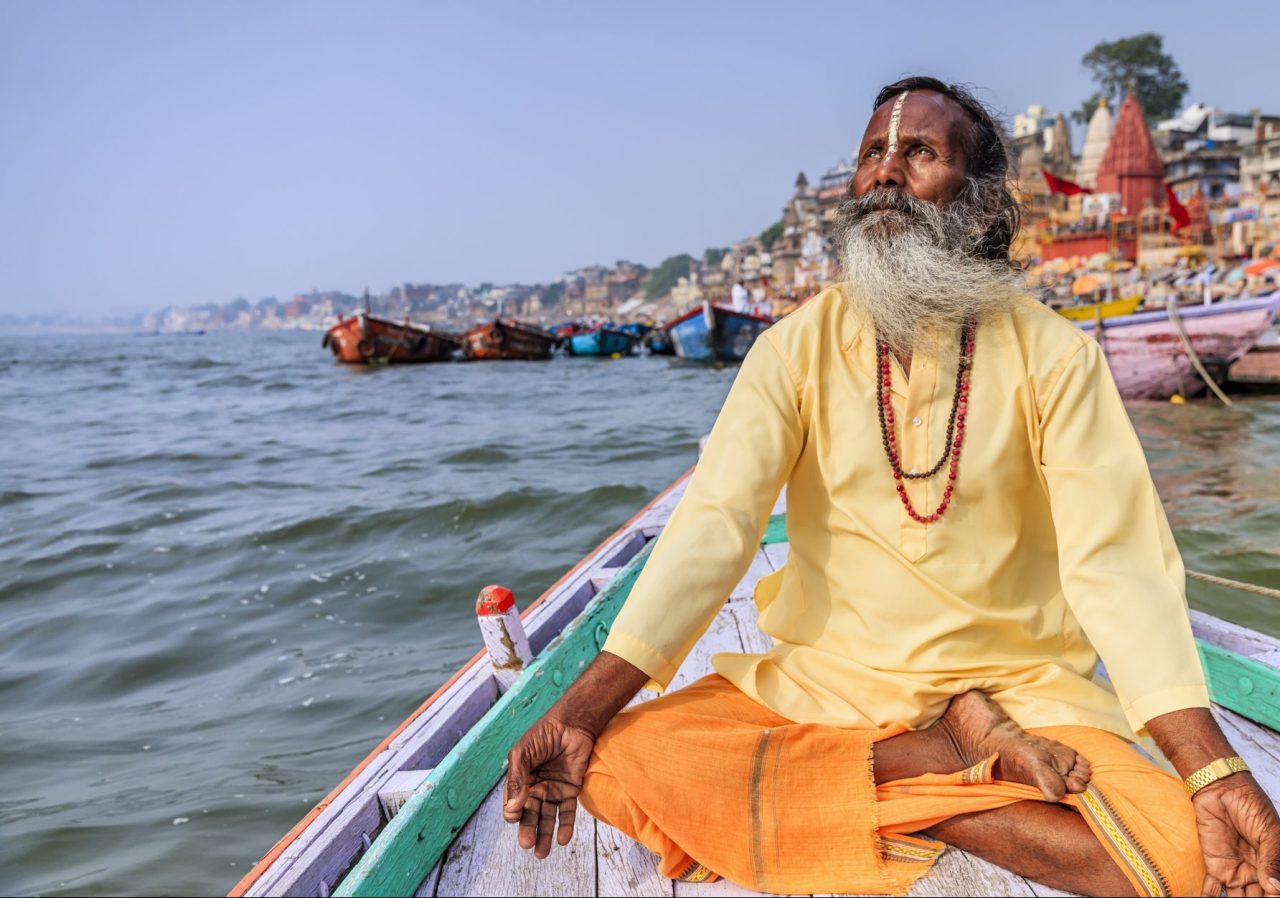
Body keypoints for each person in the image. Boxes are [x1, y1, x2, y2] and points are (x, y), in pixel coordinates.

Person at [502, 76, 1280, 897]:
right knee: (613, 759)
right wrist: (579, 712)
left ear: (977, 207)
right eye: (872, 153)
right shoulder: (791, 350)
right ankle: (941, 763)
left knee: (1195, 859)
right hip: (828, 685)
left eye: (918, 153)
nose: (884, 173)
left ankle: (897, 780)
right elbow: (713, 529)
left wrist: (1212, 769)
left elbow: (1116, 565)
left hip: (1019, 687)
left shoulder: (1056, 356)